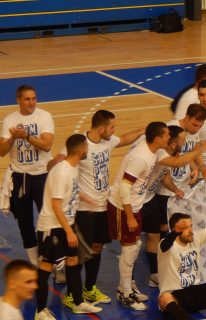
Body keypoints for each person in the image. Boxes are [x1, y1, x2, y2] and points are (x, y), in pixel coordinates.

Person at [47, 109, 144, 298]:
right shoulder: (79, 144)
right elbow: (54, 167)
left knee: (97, 248)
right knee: (81, 253)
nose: (114, 131)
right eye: (112, 127)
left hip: (102, 206)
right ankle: (72, 294)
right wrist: (53, 162)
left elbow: (124, 139)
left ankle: (89, 289)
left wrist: (142, 130)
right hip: (84, 210)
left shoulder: (107, 141)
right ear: (101, 128)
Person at [35, 134, 102, 319]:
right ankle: (40, 310)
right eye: (87, 148)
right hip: (52, 227)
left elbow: (70, 191)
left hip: (65, 224)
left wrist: (84, 198)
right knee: (46, 266)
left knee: (73, 262)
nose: (88, 151)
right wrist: (69, 231)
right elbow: (56, 205)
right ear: (81, 151)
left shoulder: (73, 167)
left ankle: (78, 302)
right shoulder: (62, 171)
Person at [107, 122, 170, 310]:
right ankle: (125, 294)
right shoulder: (141, 158)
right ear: (158, 138)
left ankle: (125, 288)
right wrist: (130, 216)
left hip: (134, 205)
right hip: (123, 206)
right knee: (130, 249)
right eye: (166, 135)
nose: (169, 138)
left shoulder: (152, 152)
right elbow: (125, 188)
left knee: (135, 247)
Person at [141, 125, 206, 287]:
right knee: (151, 237)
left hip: (153, 197)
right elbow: (176, 164)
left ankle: (160, 270)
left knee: (159, 233)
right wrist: (200, 150)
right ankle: (151, 275)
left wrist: (193, 170)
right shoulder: (162, 154)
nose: (185, 142)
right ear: (172, 143)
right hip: (144, 200)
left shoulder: (171, 152)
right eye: (182, 140)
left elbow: (172, 169)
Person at [0, 85, 54, 266]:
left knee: (48, 220)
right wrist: (13, 138)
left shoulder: (44, 116)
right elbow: (2, 151)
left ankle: (52, 260)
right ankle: (34, 261)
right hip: (20, 177)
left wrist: (27, 136)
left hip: (42, 175)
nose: (31, 102)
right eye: (27, 99)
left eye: (33, 98)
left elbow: (47, 145)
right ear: (18, 100)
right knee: (24, 222)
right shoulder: (9, 120)